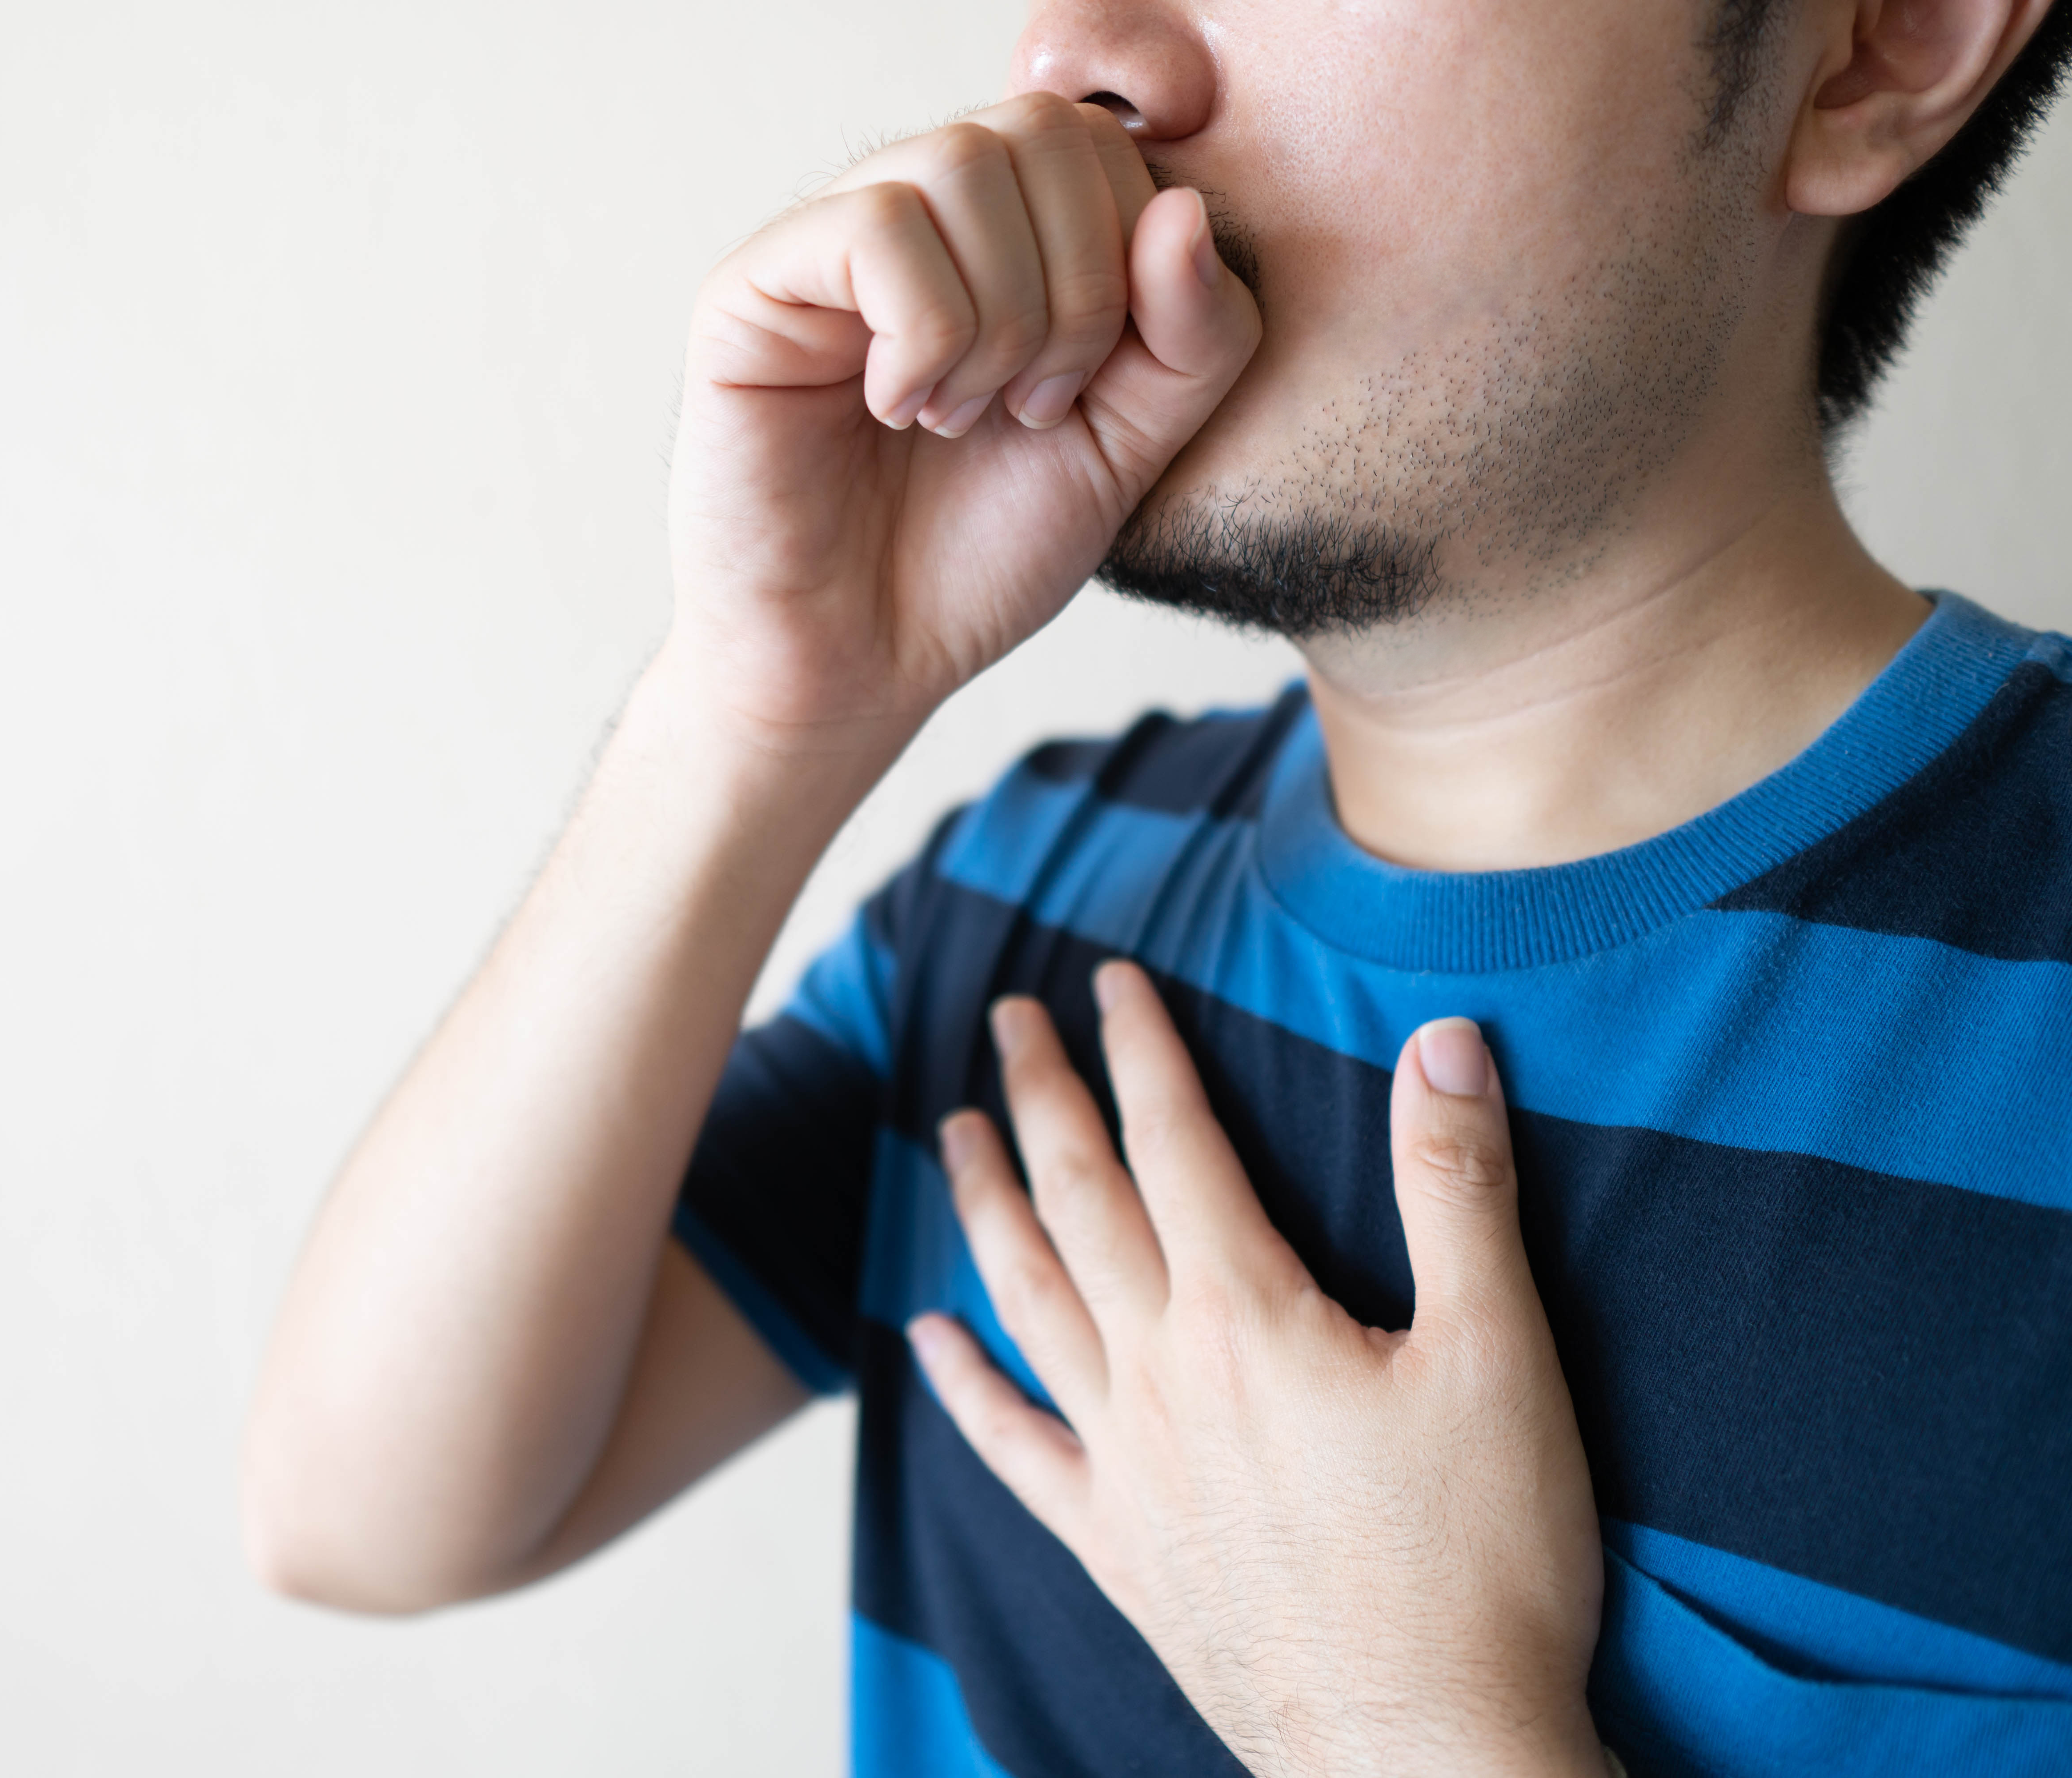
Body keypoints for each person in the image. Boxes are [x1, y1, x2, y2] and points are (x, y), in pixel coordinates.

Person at [242, 0, 2072, 1769]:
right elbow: (370, 1513)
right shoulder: (1026, 907)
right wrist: (760, 703)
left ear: (1882, 39)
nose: (1080, 54)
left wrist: (1403, 1726)